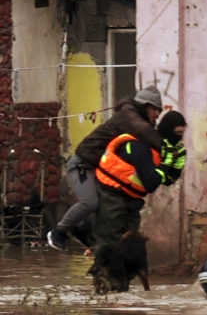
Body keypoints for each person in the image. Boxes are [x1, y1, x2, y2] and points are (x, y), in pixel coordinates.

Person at [47, 86, 177, 250]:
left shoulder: (135, 119)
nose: (157, 114)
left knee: (105, 208)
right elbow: (147, 133)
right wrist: (170, 145)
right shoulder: (129, 117)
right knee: (90, 202)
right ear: (145, 106)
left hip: (99, 168)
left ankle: (84, 234)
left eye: (159, 110)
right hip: (82, 165)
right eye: (155, 110)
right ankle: (58, 232)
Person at [92, 110, 187, 248]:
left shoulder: (159, 149)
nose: (180, 138)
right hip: (112, 198)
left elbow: (167, 180)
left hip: (131, 201)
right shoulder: (142, 146)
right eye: (178, 134)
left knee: (130, 246)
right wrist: (166, 163)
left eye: (182, 134)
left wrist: (177, 165)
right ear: (167, 131)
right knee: (110, 246)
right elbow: (151, 183)